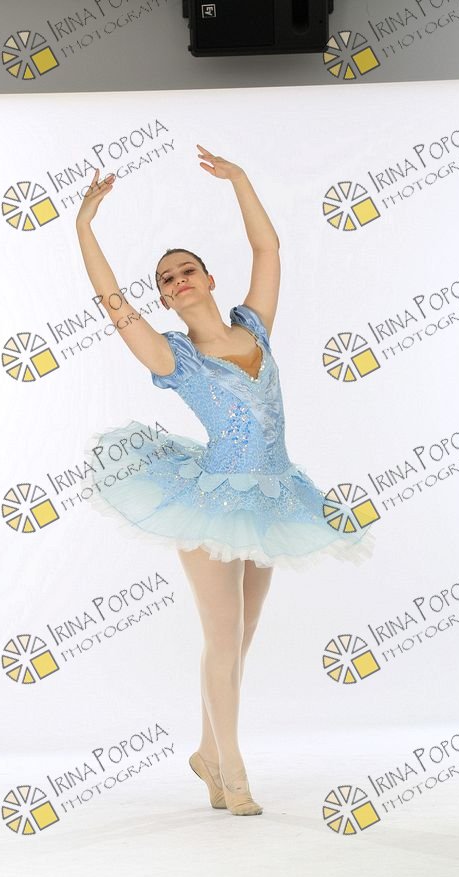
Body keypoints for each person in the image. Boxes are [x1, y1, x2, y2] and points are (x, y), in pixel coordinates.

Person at [76, 144, 375, 817]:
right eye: (165, 279)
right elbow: (111, 303)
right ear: (164, 298)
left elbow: (268, 251)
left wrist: (239, 179)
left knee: (243, 634)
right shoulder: (172, 356)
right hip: (211, 502)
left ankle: (208, 753)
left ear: (209, 279)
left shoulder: (254, 329)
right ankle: (232, 769)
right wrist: (84, 227)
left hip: (272, 496)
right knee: (222, 635)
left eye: (187, 270)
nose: (177, 280)